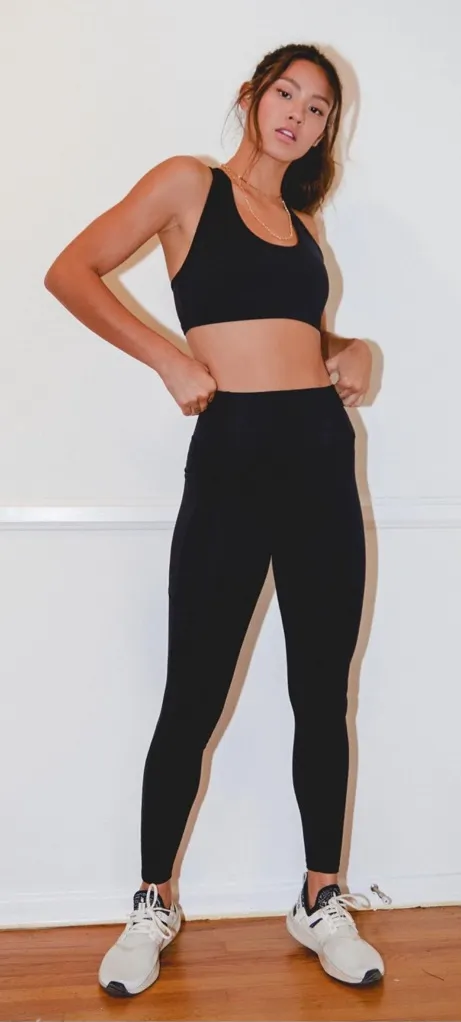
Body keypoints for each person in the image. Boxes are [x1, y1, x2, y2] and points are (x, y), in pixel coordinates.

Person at [44, 41, 385, 998]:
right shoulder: (187, 184)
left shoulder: (303, 225)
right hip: (232, 455)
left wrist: (353, 346)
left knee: (321, 694)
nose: (297, 116)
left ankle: (320, 897)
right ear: (250, 96)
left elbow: (293, 334)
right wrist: (167, 359)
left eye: (317, 109)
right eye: (286, 94)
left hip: (319, 456)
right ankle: (152, 901)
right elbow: (71, 271)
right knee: (192, 695)